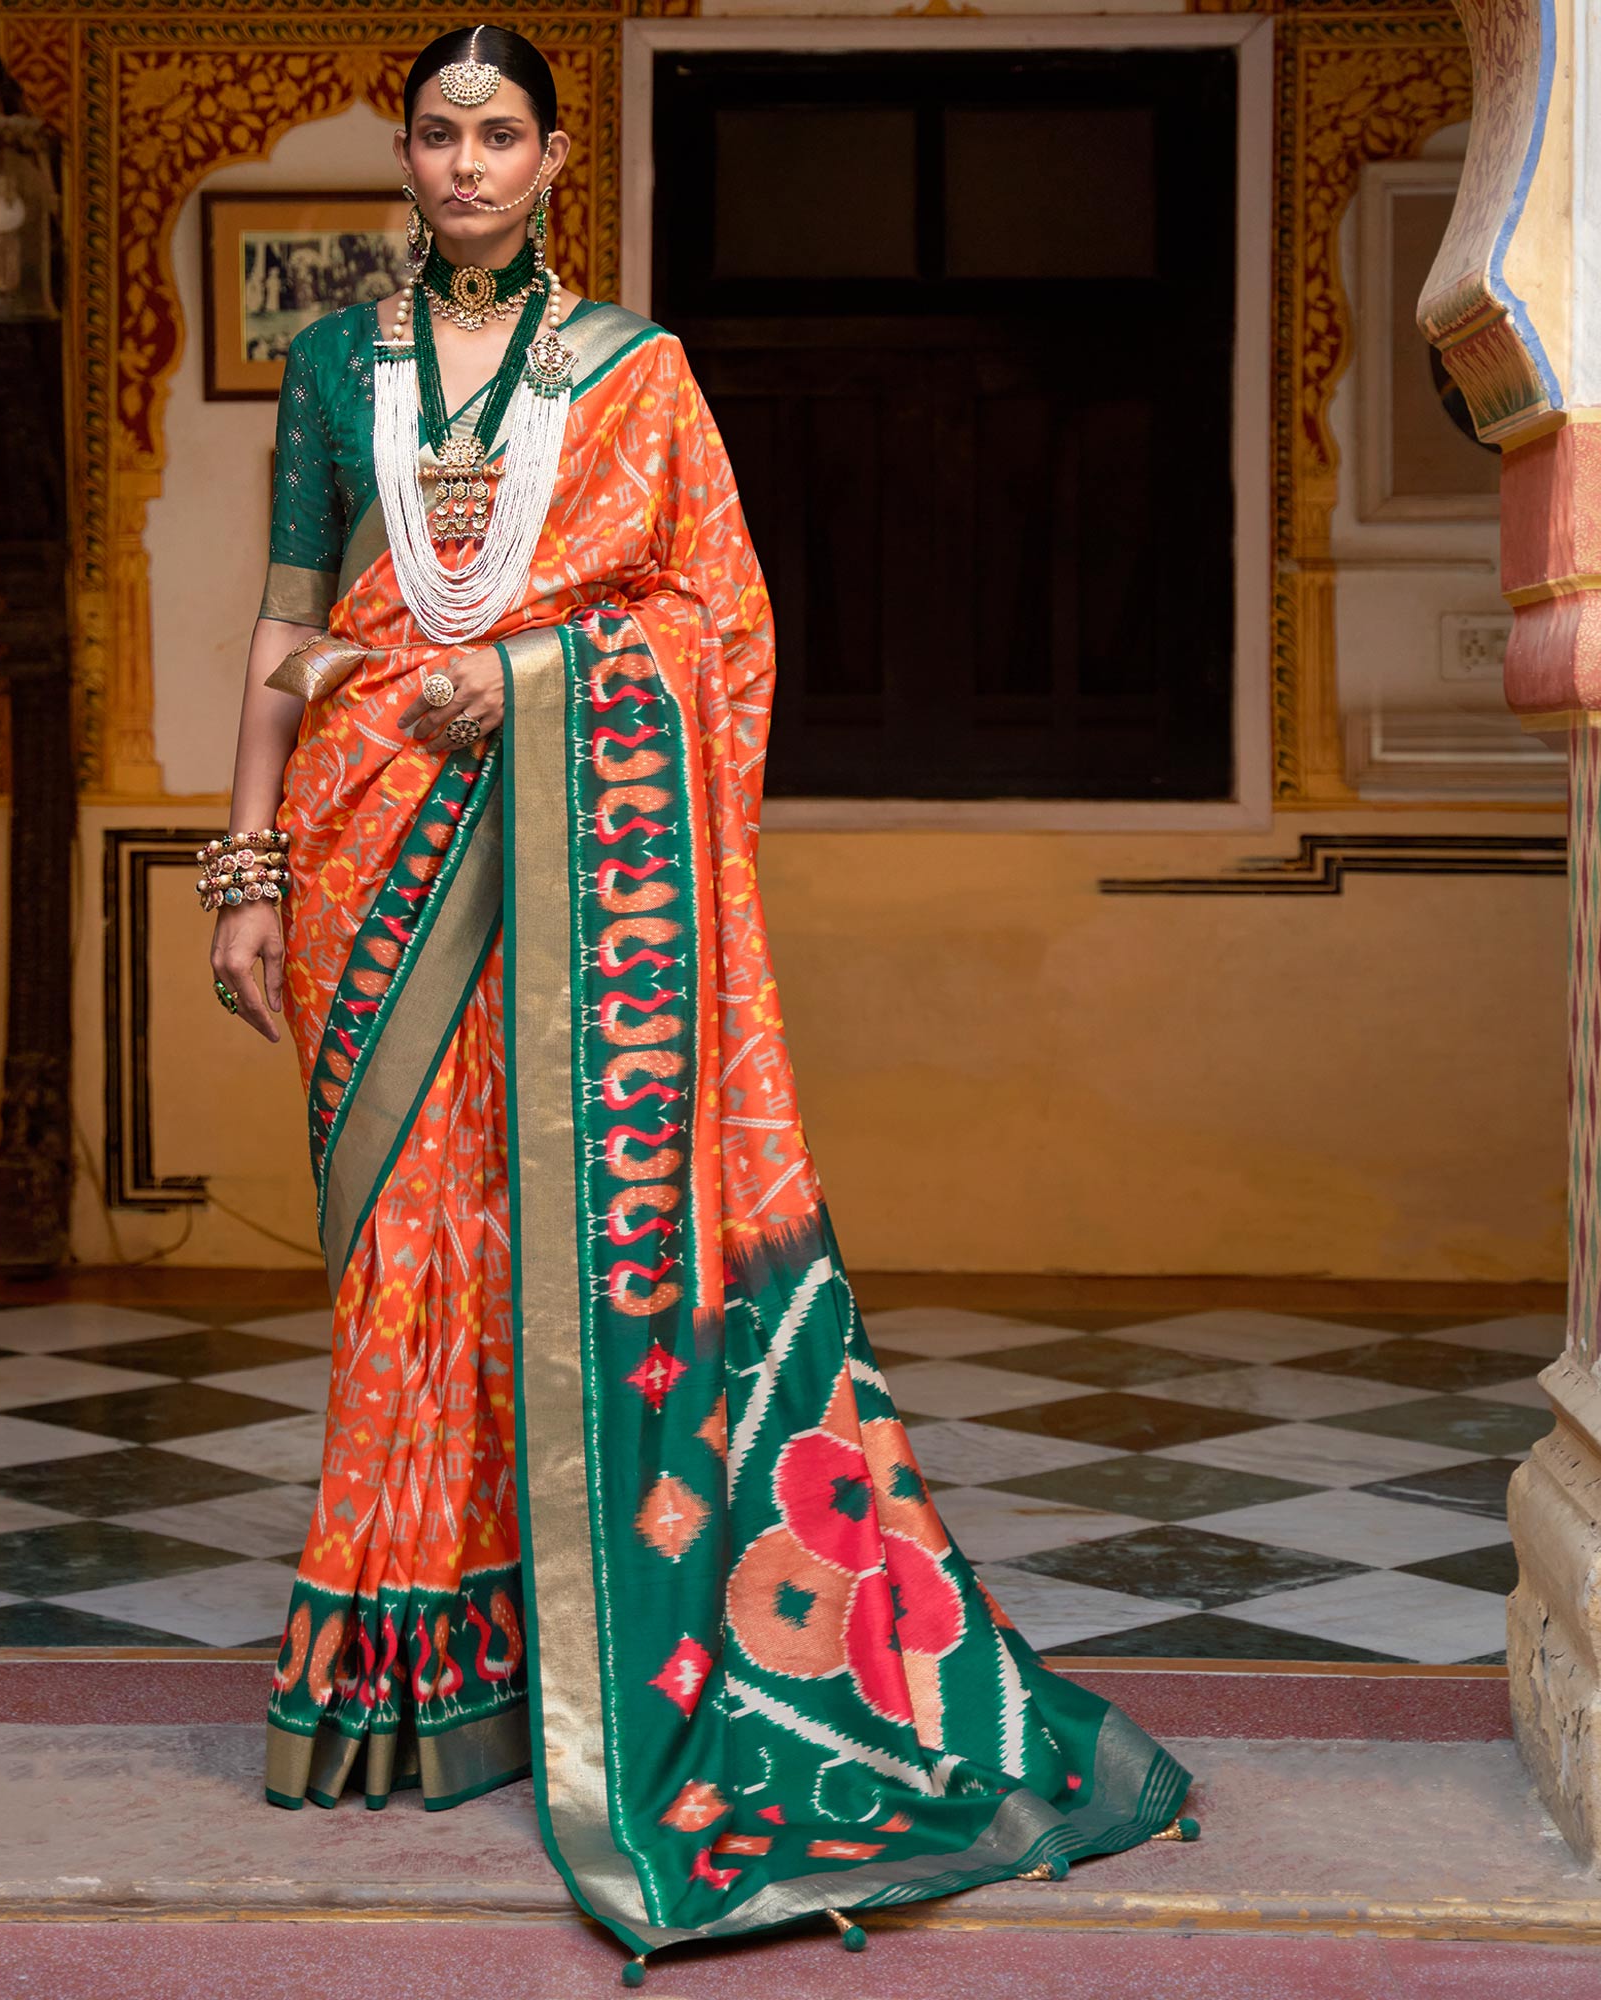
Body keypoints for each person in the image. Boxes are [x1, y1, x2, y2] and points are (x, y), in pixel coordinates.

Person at [205, 21, 1197, 1979]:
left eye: (498, 133)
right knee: (400, 1244)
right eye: (435, 134)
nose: (465, 163)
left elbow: (715, 619)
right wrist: (236, 864)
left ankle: (596, 1660)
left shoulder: (633, 375)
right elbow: (286, 620)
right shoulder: (332, 366)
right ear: (400, 157)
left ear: (555, 157)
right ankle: (408, 1668)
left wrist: (534, 684)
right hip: (364, 829)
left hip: (567, 849)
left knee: (545, 1231)